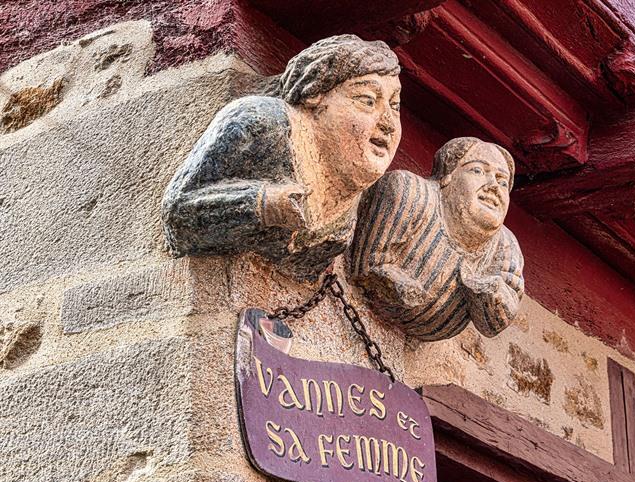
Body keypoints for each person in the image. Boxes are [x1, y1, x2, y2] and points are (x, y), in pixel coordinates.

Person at [162, 35, 402, 280]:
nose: (388, 123)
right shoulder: (262, 122)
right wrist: (266, 203)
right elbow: (178, 215)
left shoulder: (353, 191)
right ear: (314, 94)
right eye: (367, 100)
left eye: (395, 105)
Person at [348, 137, 524, 341]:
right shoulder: (410, 192)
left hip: (432, 329)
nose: (494, 186)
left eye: (502, 181)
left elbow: (496, 323)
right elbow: (369, 267)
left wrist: (491, 291)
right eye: (477, 170)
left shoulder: (505, 245)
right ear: (447, 175)